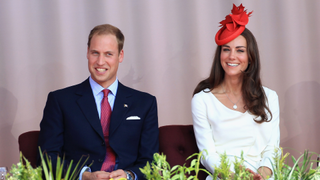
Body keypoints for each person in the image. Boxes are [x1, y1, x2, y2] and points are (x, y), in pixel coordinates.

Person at [38, 24, 159, 180]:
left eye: (108, 54)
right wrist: (84, 175)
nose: (100, 62)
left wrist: (129, 175)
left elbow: (151, 161)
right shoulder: (60, 100)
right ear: (87, 53)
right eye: (95, 53)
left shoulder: (145, 103)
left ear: (120, 56)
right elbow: (47, 158)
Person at [191, 4, 280, 180]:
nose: (232, 56)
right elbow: (208, 154)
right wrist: (233, 176)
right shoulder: (202, 100)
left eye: (240, 50)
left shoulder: (270, 97)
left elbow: (272, 148)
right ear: (220, 55)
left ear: (250, 57)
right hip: (224, 176)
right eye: (226, 49)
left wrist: (261, 174)